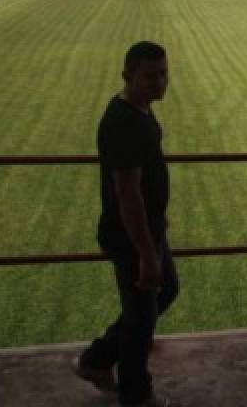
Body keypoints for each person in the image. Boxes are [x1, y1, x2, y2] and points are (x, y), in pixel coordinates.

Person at [75, 42, 177, 407]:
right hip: (132, 237)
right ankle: (136, 395)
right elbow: (127, 192)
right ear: (127, 76)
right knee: (141, 320)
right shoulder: (123, 122)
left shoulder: (141, 112)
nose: (160, 82)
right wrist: (147, 254)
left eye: (163, 73)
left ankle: (99, 358)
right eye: (150, 75)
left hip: (149, 230)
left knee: (163, 293)